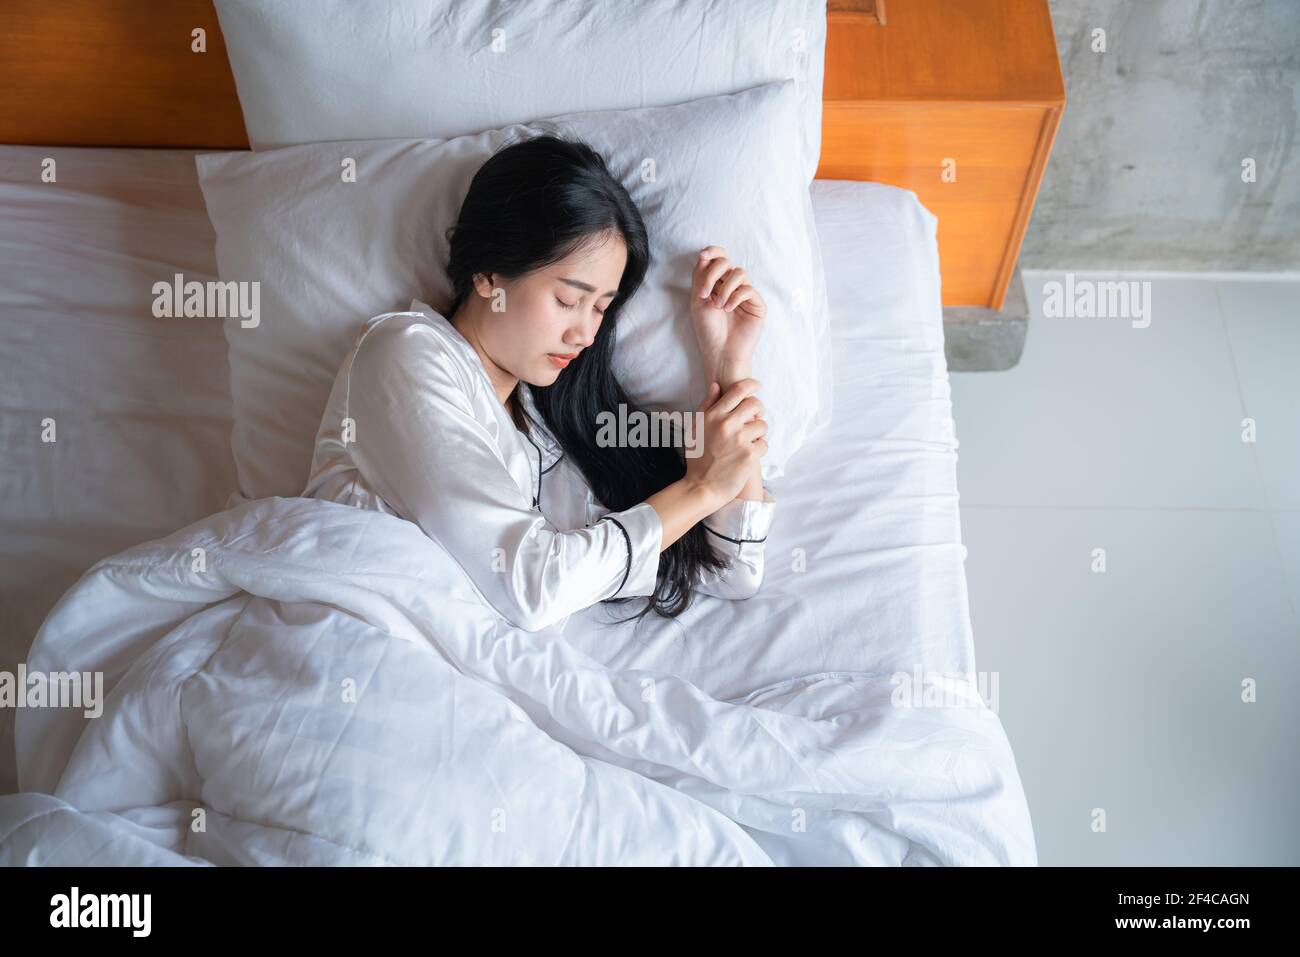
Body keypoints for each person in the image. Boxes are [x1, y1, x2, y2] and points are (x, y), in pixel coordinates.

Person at [304, 135, 774, 632]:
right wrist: (700, 488)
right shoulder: (402, 353)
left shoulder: (551, 424)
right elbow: (531, 586)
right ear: (489, 273)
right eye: (569, 299)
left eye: (601, 307)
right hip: (343, 641)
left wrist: (726, 365)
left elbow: (733, 572)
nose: (586, 333)